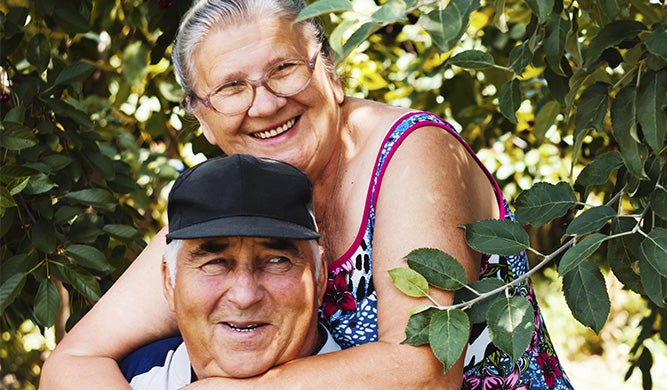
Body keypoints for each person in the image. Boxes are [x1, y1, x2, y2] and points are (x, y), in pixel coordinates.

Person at [40, 0, 572, 388]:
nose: (265, 103)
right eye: (230, 88)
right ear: (201, 118)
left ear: (330, 72)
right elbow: (72, 363)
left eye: (283, 69)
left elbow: (424, 372)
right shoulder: (229, 206)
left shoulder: (410, 153)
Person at [119, 154, 341, 389]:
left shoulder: (375, 378)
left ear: (319, 277)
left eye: (277, 261)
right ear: (168, 282)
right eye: (214, 263)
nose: (244, 297)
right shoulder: (127, 377)